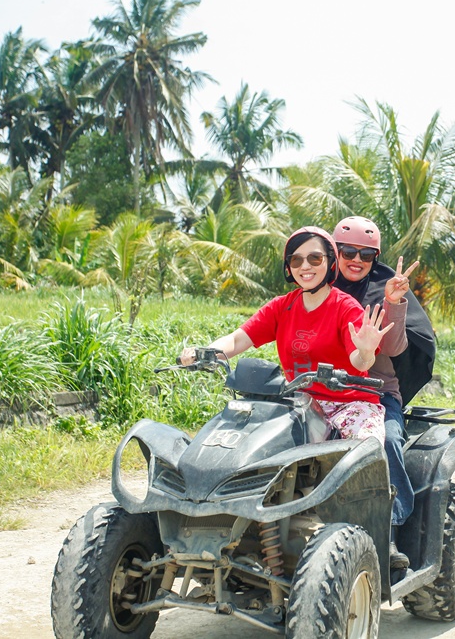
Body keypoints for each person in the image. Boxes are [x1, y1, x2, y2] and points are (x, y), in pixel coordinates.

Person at [178, 226, 393, 442]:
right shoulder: (282, 307)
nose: (305, 266)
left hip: (349, 405)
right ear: (289, 267)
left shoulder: (346, 308)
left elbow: (361, 363)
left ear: (331, 263)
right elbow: (238, 339)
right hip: (298, 404)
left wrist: (365, 350)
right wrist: (203, 352)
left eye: (315, 258)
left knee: (366, 447)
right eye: (296, 260)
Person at [331, 216, 437, 570]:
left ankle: (388, 532)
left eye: (366, 254)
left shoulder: (384, 289)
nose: (356, 260)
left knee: (388, 439)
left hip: (374, 394)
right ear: (334, 252)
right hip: (321, 392)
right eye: (348, 251)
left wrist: (393, 302)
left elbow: (393, 347)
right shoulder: (318, 284)